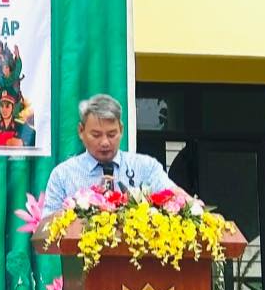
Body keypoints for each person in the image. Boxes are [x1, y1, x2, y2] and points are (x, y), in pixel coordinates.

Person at [41, 92, 175, 215]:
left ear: (121, 130)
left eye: (111, 134)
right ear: (81, 131)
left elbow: (177, 199)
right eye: (96, 135)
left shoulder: (146, 167)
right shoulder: (63, 175)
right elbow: (45, 227)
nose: (105, 142)